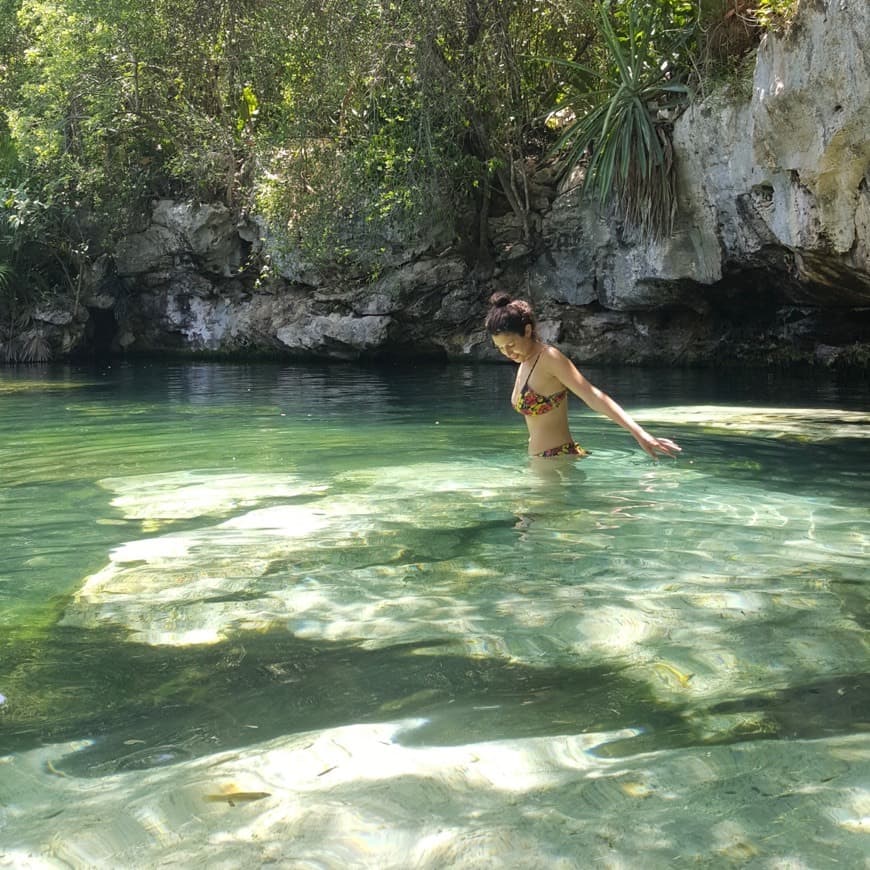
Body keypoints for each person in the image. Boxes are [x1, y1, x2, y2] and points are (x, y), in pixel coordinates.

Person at [485, 292, 681, 460]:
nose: (507, 353)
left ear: (527, 331)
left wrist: (640, 433)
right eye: (500, 348)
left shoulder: (549, 358)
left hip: (556, 458)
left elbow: (593, 396)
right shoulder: (525, 361)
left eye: (510, 345)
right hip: (545, 461)